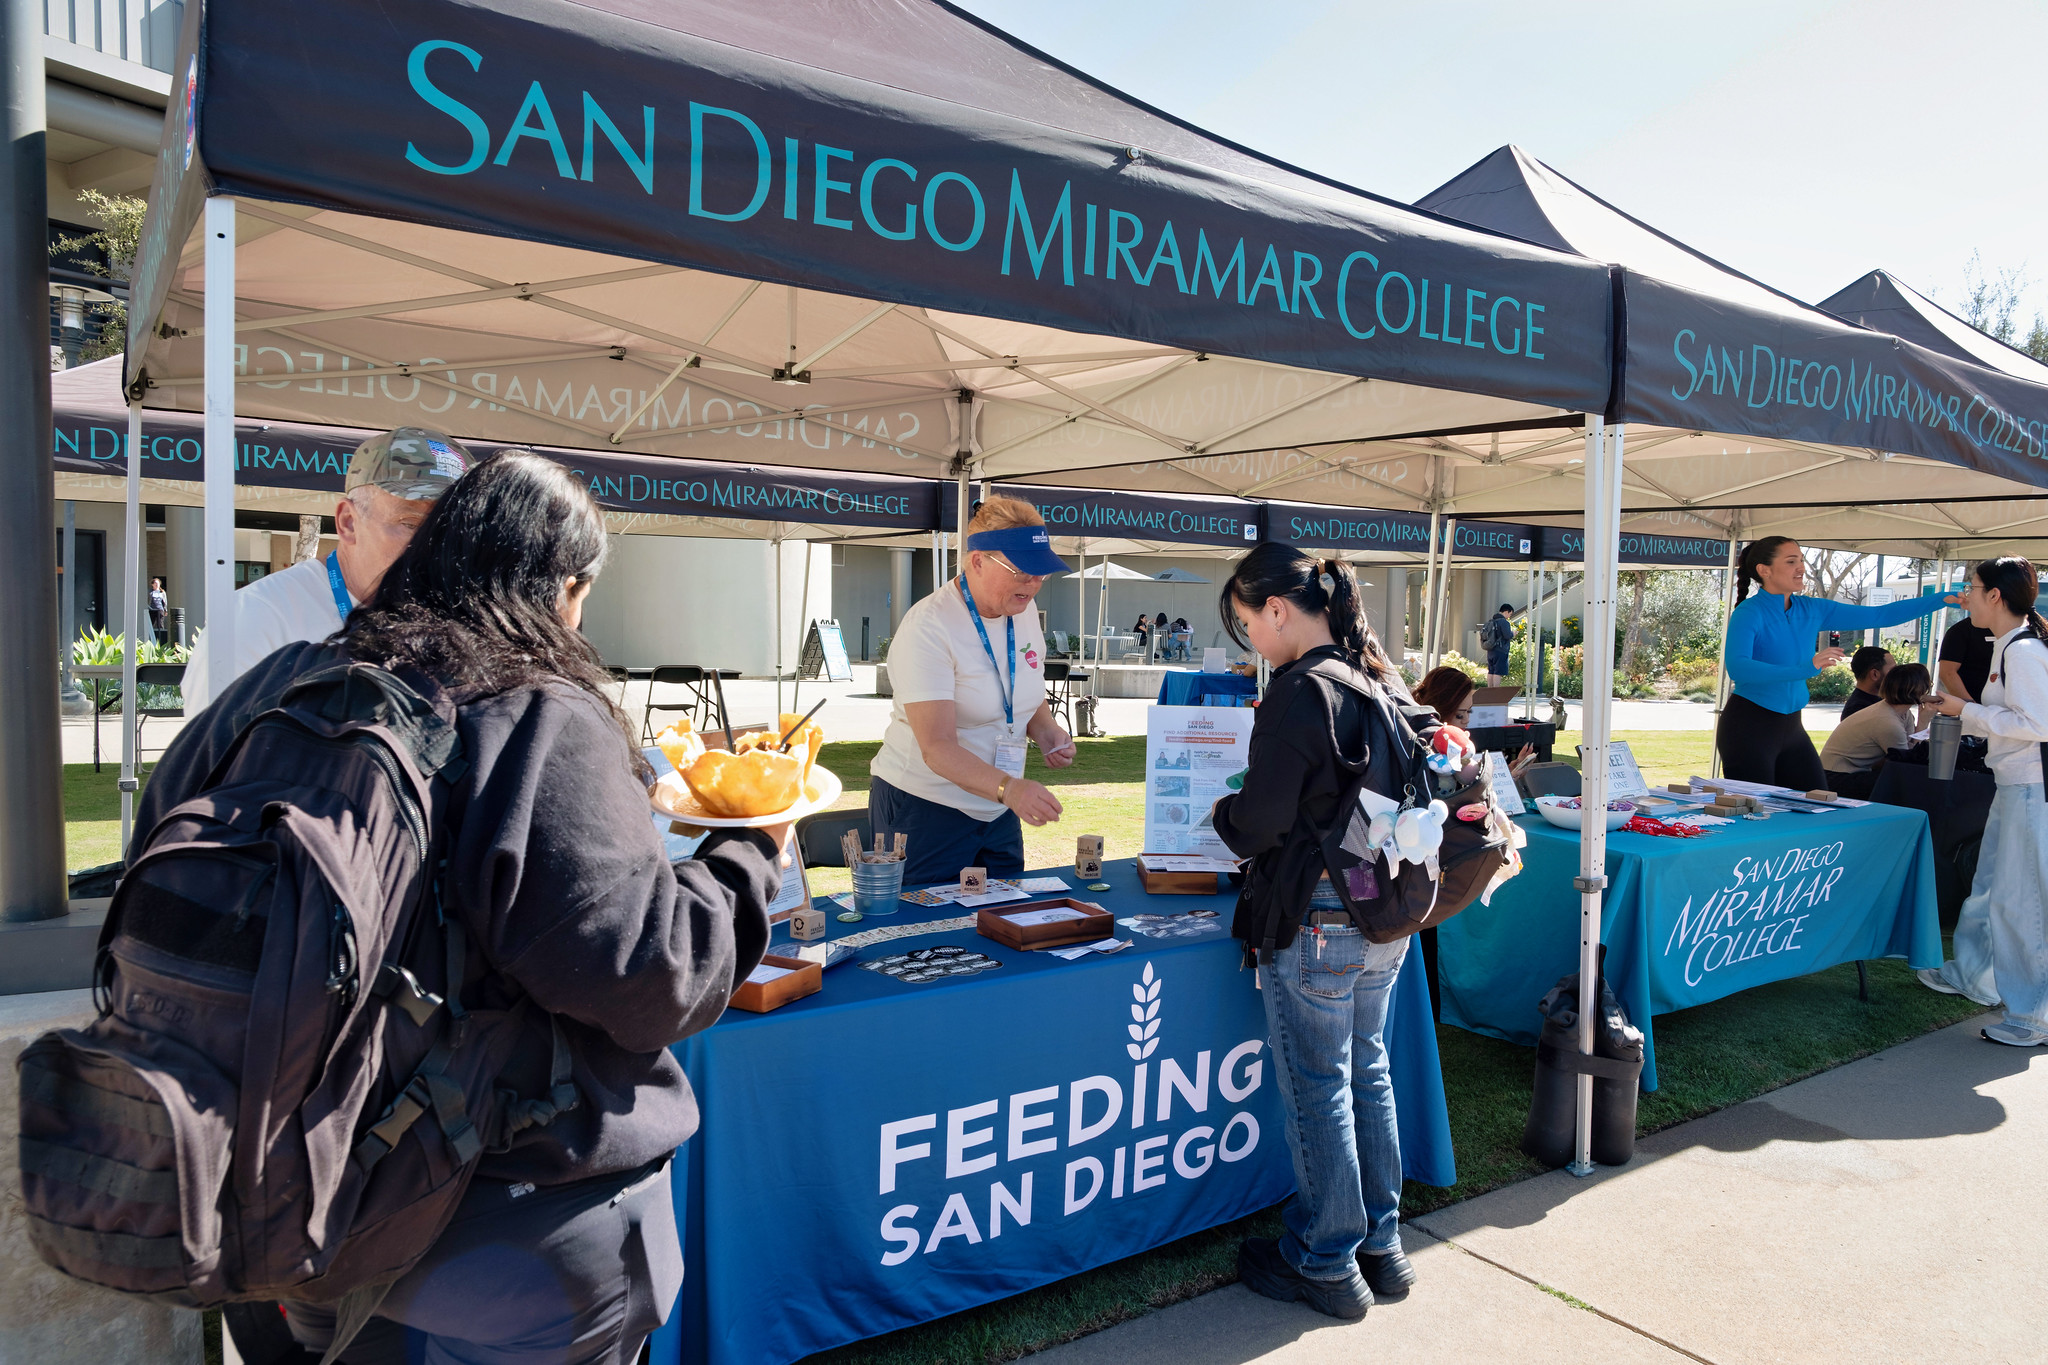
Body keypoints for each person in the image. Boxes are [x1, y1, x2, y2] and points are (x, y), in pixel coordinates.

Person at [133, 452, 785, 1362]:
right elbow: (651, 975)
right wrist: (750, 853)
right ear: (562, 586)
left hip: (284, 1199)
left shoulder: (275, 685)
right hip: (505, 1240)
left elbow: (157, 861)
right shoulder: (535, 716)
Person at [1210, 544, 1432, 1321]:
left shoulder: (1301, 692)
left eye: (1248, 625)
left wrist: (1221, 815)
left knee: (1320, 1085)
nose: (1252, 642)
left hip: (1320, 917)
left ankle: (1325, 1256)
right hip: (1382, 911)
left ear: (1277, 609)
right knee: (1366, 1072)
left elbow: (1261, 821)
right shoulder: (1376, 674)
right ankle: (1382, 1243)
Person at [181, 427, 473, 713]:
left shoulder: (455, 616)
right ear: (348, 521)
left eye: (453, 530)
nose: (438, 546)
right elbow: (211, 757)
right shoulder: (256, 617)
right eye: (411, 524)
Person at [870, 496, 1077, 885]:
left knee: (1002, 918)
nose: (1033, 583)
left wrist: (1047, 732)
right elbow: (938, 748)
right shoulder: (929, 627)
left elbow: (1022, 689)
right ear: (978, 561)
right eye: (1020, 571)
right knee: (924, 931)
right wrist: (1010, 788)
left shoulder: (1023, 610)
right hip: (926, 805)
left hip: (996, 804)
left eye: (1041, 573)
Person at [1919, 556, 2048, 1046]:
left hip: (2031, 788)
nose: (1965, 596)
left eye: (1971, 587)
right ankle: (1974, 977)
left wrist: (1966, 709)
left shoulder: (2022, 652)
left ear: (1995, 595)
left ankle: (2033, 1016)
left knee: (2024, 902)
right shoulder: (2009, 647)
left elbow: (2039, 725)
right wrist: (1961, 712)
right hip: (2015, 784)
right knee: (1995, 886)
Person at [1718, 537, 1953, 790]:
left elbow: (1880, 615)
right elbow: (1738, 667)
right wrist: (1805, 668)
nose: (1801, 568)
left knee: (1815, 804)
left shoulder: (1811, 608)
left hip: (1791, 727)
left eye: (1801, 560)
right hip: (1748, 726)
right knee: (1754, 814)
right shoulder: (1749, 612)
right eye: (1790, 561)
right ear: (1764, 570)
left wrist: (1942, 599)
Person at [1820, 662, 1931, 798]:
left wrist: (1922, 721)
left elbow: (1910, 751)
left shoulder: (1902, 713)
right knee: (1909, 784)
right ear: (1920, 690)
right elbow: (1906, 764)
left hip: (1849, 773)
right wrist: (1924, 721)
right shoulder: (1888, 722)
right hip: (1838, 778)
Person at [1413, 666, 1534, 772]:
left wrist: (1508, 775)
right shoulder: (1426, 749)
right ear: (1440, 710)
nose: (1467, 720)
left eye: (1469, 711)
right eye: (1459, 715)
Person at [1939, 613, 1997, 702]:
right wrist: (1971, 707)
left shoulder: (2013, 630)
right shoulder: (1959, 631)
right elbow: (1947, 673)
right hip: (1977, 705)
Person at [1840, 645, 1894, 720]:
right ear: (1874, 674)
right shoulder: (1858, 710)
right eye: (1893, 670)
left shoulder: (1879, 700)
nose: (1897, 674)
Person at [1480, 603, 1516, 685]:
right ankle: (1496, 690)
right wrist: (1513, 634)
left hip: (1490, 649)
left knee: (1491, 671)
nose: (1509, 616)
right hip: (1500, 650)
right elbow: (1507, 635)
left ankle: (1490, 690)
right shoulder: (1504, 622)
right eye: (1510, 614)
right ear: (1506, 611)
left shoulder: (1491, 621)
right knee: (1498, 672)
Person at [146, 576, 169, 645]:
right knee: (151, 624)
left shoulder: (162, 592)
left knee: (160, 624)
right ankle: (150, 639)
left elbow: (165, 601)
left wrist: (165, 610)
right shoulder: (150, 592)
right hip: (152, 609)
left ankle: (161, 640)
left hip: (160, 610)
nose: (157, 584)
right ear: (152, 584)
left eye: (158, 583)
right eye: (155, 583)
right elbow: (148, 600)